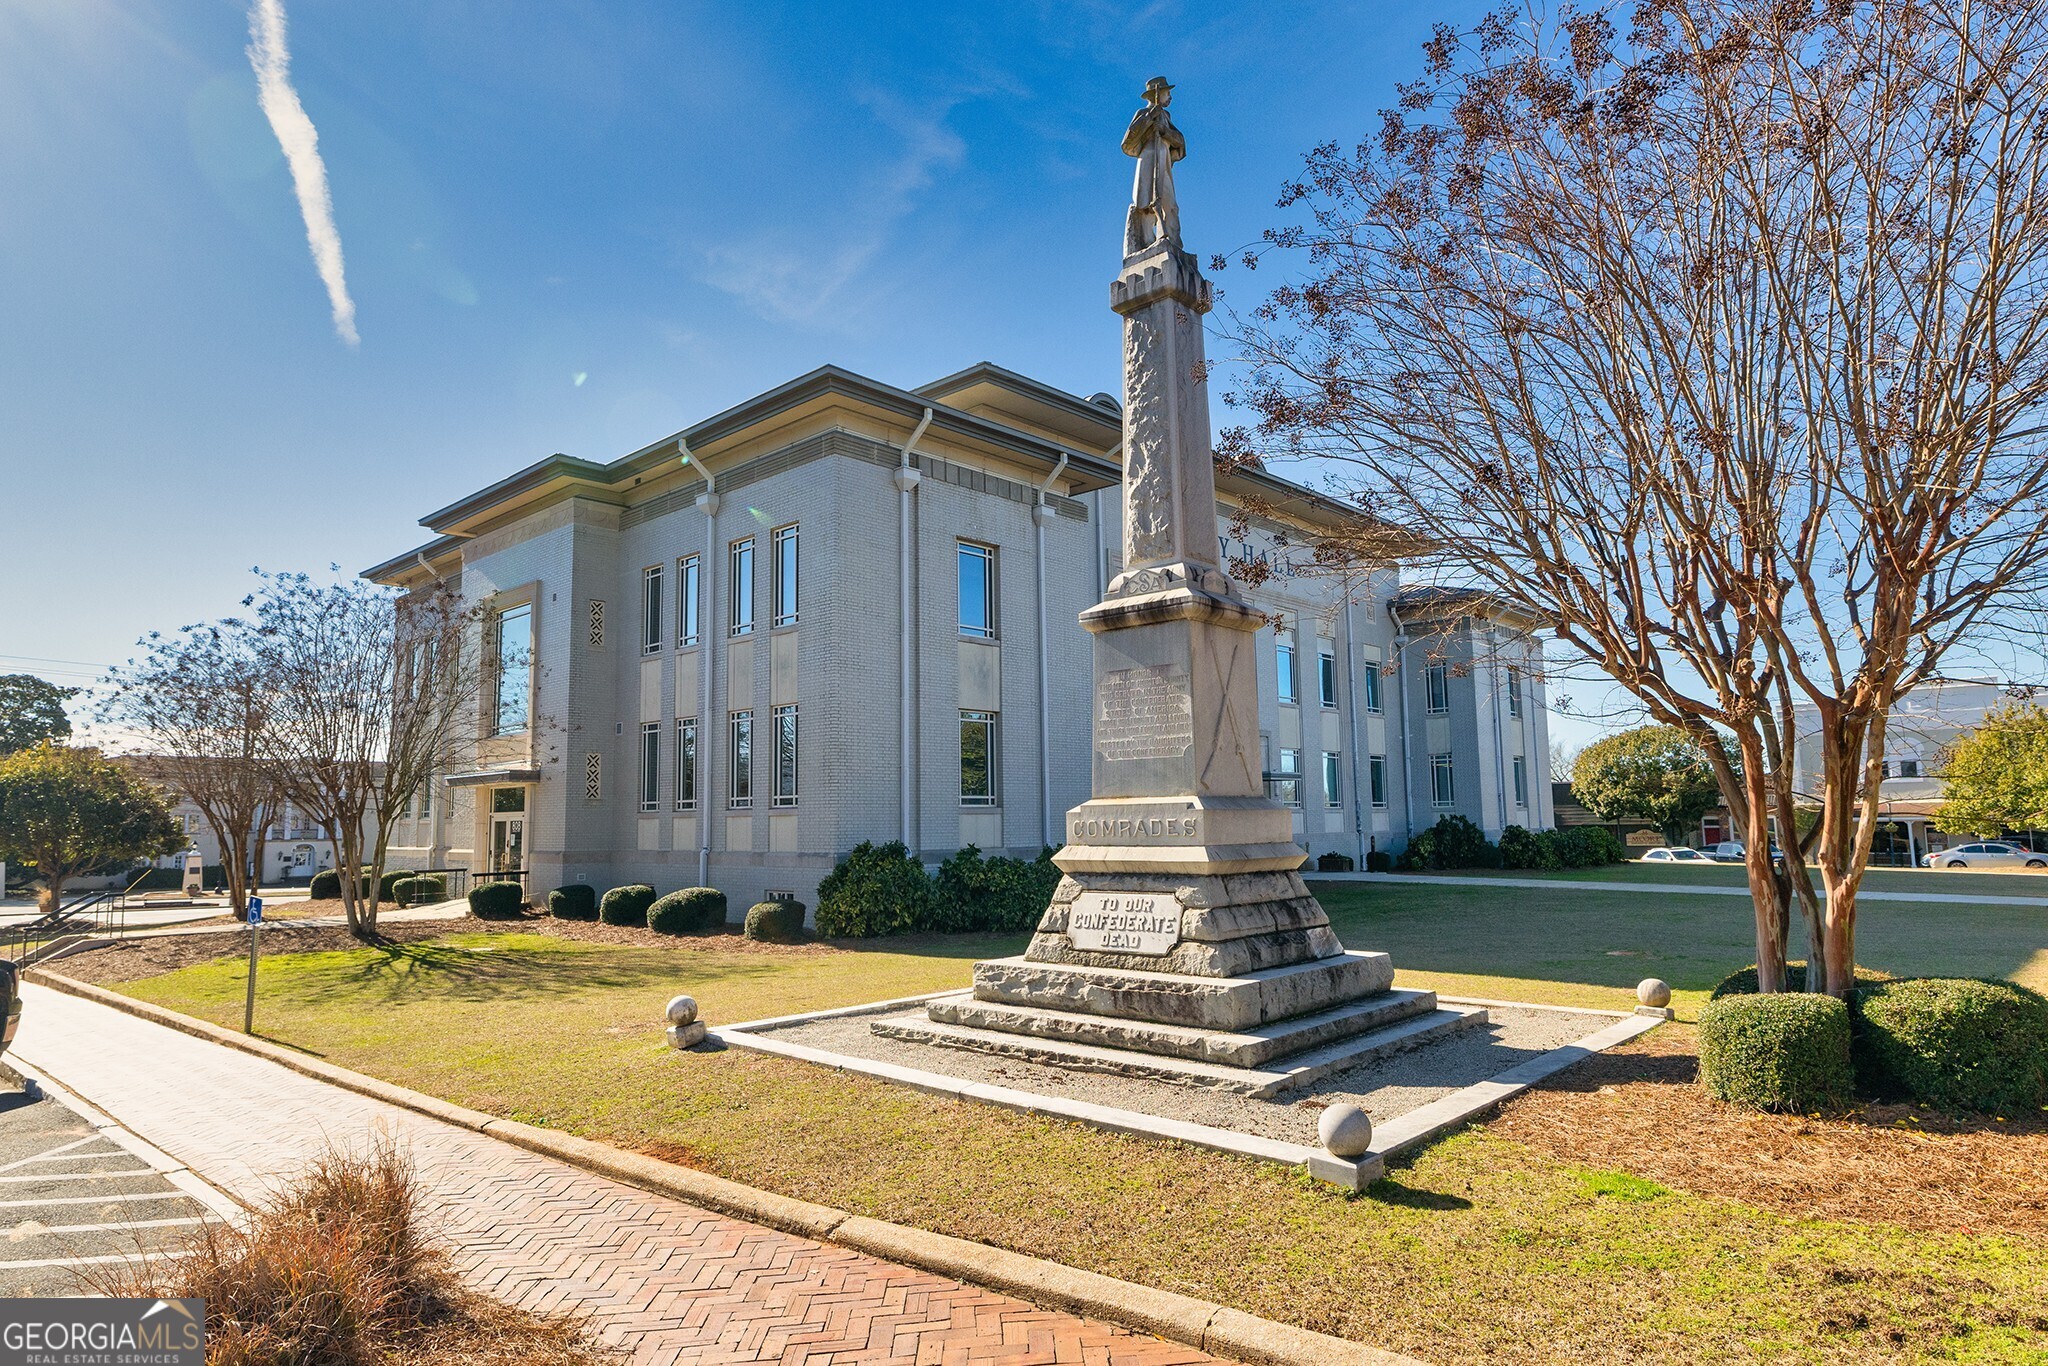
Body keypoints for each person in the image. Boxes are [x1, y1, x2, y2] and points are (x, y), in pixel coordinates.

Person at [1122, 77, 1185, 256]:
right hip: (1148, 159)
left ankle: (1173, 241)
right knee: (1146, 202)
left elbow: (1180, 141)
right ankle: (1146, 241)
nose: (1170, 97)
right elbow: (1128, 140)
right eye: (1168, 93)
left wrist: (1164, 130)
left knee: (1170, 204)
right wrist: (1150, 118)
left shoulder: (1166, 117)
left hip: (1163, 161)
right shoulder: (1143, 113)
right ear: (1157, 94)